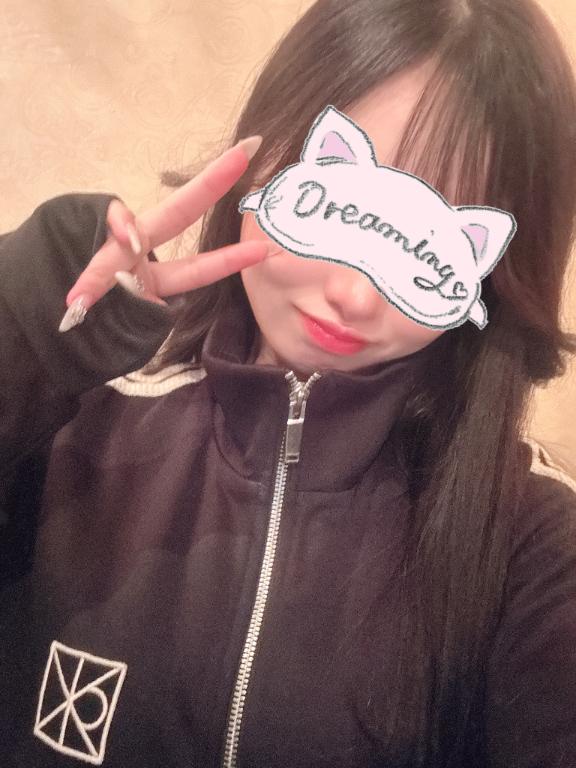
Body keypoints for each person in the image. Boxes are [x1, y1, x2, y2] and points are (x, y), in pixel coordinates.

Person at [1, 0, 576, 765]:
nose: (356, 296)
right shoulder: (76, 414)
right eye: (343, 210)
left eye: (422, 250)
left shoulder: (535, 541)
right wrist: (26, 324)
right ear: (268, 152)